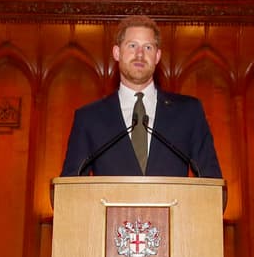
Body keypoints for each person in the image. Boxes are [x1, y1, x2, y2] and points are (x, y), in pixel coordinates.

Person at [61, 15, 223, 178]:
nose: (140, 55)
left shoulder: (189, 112)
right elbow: (69, 189)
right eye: (132, 46)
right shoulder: (89, 118)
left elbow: (212, 183)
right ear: (117, 52)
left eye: (148, 48)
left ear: (157, 56)